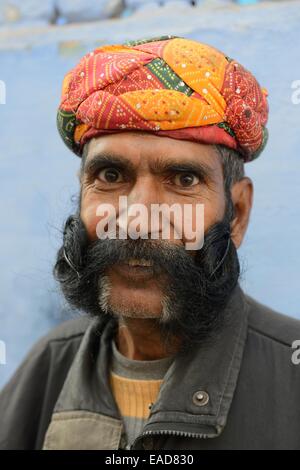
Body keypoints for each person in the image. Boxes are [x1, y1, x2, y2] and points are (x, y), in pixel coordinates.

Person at [1, 35, 300, 450]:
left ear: (238, 213)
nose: (137, 220)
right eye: (109, 176)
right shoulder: (48, 367)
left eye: (183, 179)